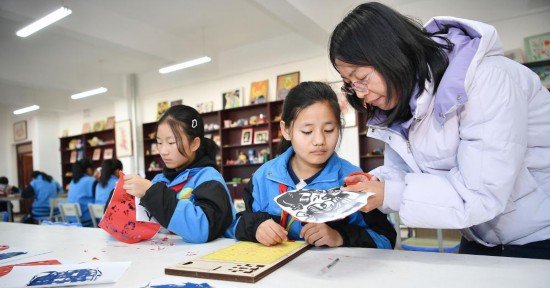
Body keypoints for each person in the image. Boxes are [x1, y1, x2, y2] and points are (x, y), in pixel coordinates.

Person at [329, 2, 550, 259]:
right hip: (480, 236)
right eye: (350, 84)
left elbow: (480, 193)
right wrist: (377, 182)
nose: (360, 94)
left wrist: (388, 193)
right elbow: (403, 171)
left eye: (362, 78)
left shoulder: (488, 79)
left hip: (540, 236)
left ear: (391, 54)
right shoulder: (404, 103)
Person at [235, 81, 396, 248]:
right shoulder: (263, 177)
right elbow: (234, 224)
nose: (319, 141)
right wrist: (255, 227)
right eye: (307, 131)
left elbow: (385, 239)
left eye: (328, 130)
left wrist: (340, 236)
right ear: (286, 130)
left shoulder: (354, 180)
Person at [123, 105, 236, 243]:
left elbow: (202, 229)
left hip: (204, 259)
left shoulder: (209, 179)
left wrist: (151, 193)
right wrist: (123, 196)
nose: (163, 151)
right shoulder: (159, 180)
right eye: (159, 142)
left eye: (171, 142)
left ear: (194, 144)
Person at [67, 159, 96, 227]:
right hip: (86, 220)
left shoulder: (72, 182)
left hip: (71, 221)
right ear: (89, 169)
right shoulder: (91, 181)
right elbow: (98, 200)